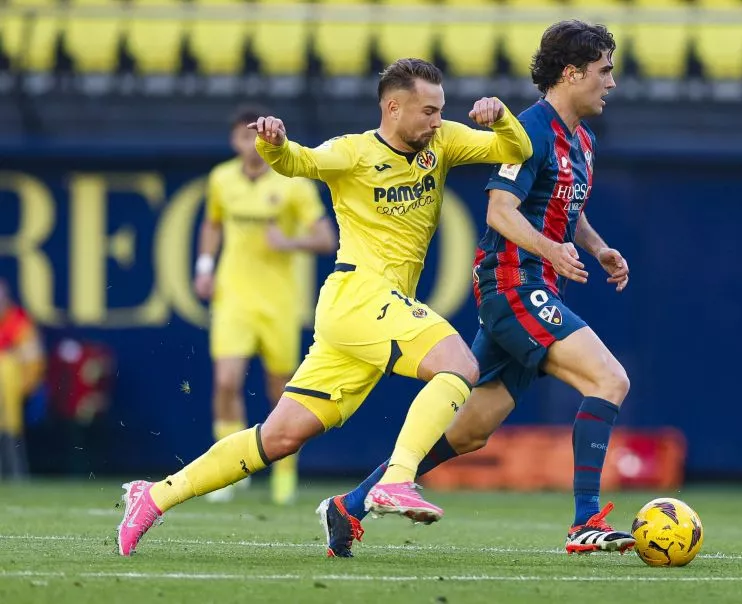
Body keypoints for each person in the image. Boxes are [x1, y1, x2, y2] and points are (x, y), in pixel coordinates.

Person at [116, 57, 532, 556]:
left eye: (441, 110)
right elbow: (299, 162)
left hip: (368, 311)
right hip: (361, 295)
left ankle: (155, 495)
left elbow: (516, 149)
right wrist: (274, 144)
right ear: (393, 107)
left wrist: (501, 116)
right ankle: (395, 479)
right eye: (428, 111)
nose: (437, 120)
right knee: (459, 366)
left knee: (280, 437)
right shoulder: (353, 152)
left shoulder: (441, 142)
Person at [319, 20, 635, 558]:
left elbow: (564, 206)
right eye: (604, 71)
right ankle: (585, 521)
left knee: (469, 433)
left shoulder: (581, 139)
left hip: (535, 284)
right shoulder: (529, 130)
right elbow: (500, 210)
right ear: (571, 72)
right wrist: (549, 250)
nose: (611, 83)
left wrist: (596, 245)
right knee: (609, 380)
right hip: (513, 283)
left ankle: (350, 505)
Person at [194, 105, 338, 505]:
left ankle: (284, 472)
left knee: (282, 392)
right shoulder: (221, 179)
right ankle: (227, 470)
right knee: (226, 381)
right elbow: (212, 223)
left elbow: (326, 239)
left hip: (278, 302)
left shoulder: (292, 182)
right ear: (234, 141)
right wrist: (205, 266)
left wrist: (289, 243)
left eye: (255, 137)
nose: (251, 146)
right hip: (233, 297)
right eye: (243, 137)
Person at [0, 278, 45, 479]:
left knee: (6, 367)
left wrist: (20, 389)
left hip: (17, 395)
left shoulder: (19, 323)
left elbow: (33, 365)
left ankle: (14, 471)